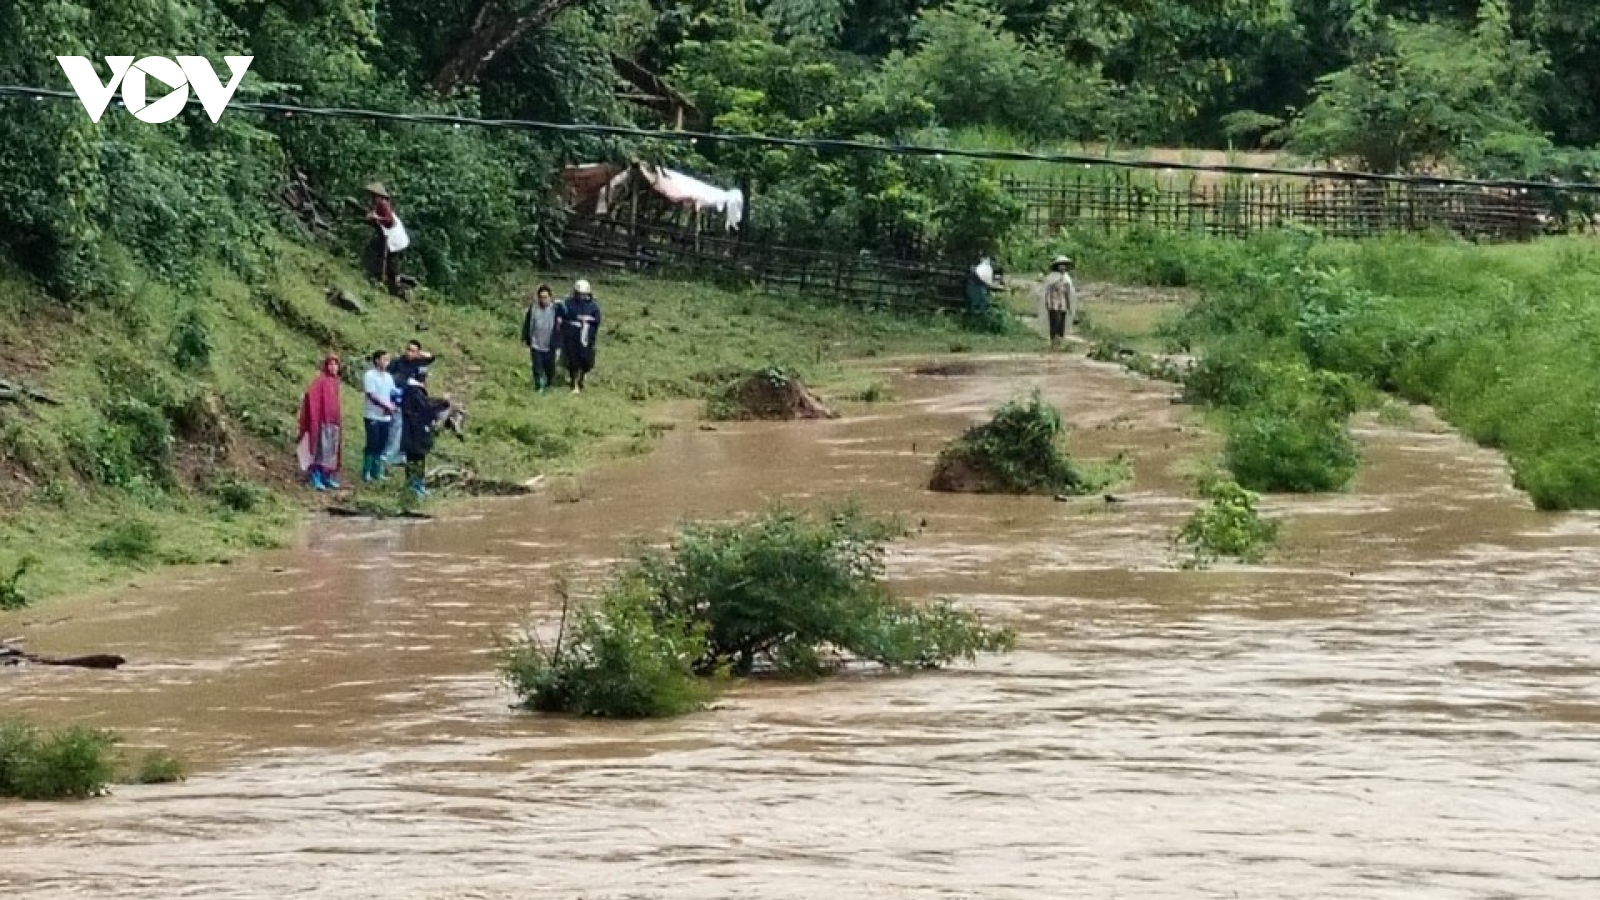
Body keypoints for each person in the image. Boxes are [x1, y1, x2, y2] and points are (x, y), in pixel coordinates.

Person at [384, 340, 436, 465]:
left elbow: (431, 358)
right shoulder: (398, 362)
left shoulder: (418, 363)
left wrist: (420, 354)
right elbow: (391, 377)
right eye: (408, 349)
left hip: (413, 401)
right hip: (397, 398)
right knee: (395, 427)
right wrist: (409, 381)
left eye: (413, 351)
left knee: (407, 429)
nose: (409, 353)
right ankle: (389, 455)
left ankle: (402, 453)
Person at [296, 354, 344, 492]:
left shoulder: (335, 382)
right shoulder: (320, 381)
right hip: (323, 421)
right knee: (321, 449)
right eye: (330, 364)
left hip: (334, 421)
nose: (333, 367)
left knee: (332, 450)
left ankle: (327, 476)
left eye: (335, 364)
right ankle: (316, 476)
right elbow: (311, 396)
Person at [363, 182, 410, 297]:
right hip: (388, 235)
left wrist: (376, 218)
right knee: (381, 255)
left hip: (394, 237)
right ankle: (381, 278)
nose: (372, 198)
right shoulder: (377, 205)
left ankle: (395, 285)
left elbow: (389, 221)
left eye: (374, 196)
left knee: (392, 261)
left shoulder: (384, 204)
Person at [557, 279, 602, 393]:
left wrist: (588, 320)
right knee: (573, 360)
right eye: (579, 294)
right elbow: (563, 316)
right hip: (572, 338)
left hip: (586, 339)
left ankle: (582, 377)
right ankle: (574, 383)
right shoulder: (568, 304)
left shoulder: (593, 307)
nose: (581, 296)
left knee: (587, 361)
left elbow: (597, 320)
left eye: (584, 294)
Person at [399, 371, 438, 499]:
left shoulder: (415, 391)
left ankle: (418, 485)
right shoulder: (414, 392)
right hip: (413, 433)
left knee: (419, 459)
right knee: (414, 459)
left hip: (417, 433)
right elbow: (425, 408)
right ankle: (413, 486)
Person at [361, 350, 398, 482]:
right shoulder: (370, 375)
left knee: (382, 444)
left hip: (386, 416)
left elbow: (393, 393)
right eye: (384, 359)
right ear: (377, 360)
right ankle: (366, 471)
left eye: (388, 360)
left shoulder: (388, 377)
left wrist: (393, 404)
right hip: (372, 415)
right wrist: (385, 406)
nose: (386, 362)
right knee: (372, 443)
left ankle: (376, 471)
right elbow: (371, 395)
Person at [520, 284, 559, 392]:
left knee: (549, 367)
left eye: (545, 297)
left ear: (550, 297)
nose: (543, 300)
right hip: (536, 343)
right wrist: (525, 337)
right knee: (537, 366)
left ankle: (548, 383)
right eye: (541, 297)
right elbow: (527, 323)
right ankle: (538, 385)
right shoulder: (533, 309)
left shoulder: (556, 309)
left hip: (550, 344)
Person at [1041, 254, 1079, 350]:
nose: (1062, 267)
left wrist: (1069, 305)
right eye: (1060, 265)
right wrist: (1047, 302)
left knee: (1061, 323)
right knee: (1054, 322)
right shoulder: (1051, 278)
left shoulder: (1067, 278)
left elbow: (1068, 292)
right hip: (1053, 303)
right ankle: (1053, 341)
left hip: (1063, 303)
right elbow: (1047, 291)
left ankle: (1060, 341)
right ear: (1057, 266)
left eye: (1064, 265)